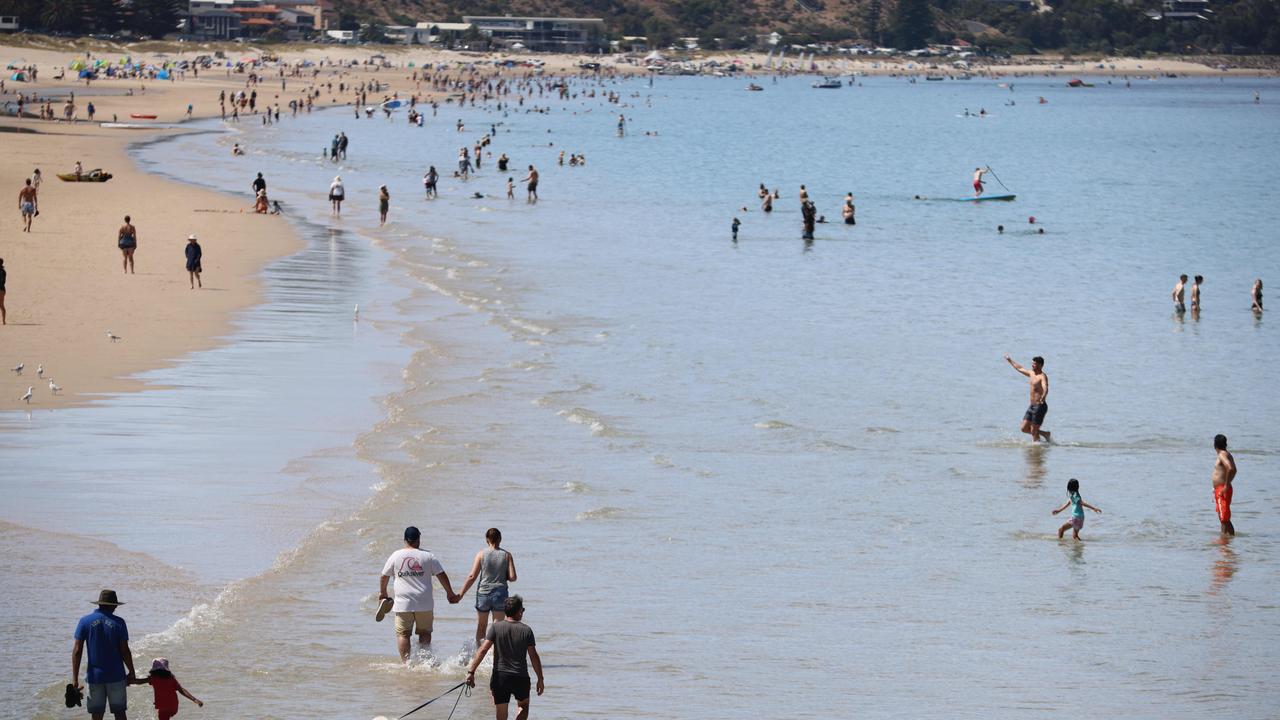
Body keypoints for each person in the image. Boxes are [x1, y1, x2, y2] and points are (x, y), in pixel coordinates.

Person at [378, 526, 459, 662]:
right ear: (419, 539)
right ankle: (424, 663)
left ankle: (407, 665)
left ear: (405, 540)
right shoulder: (428, 556)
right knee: (425, 633)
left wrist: (383, 593)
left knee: (403, 634)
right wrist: (450, 593)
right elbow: (441, 575)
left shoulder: (396, 555)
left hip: (403, 604)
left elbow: (383, 576)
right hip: (425, 603)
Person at [466, 595, 544, 720]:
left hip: (500, 677)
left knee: (501, 714)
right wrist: (540, 678)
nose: (522, 612)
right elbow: (534, 656)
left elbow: (483, 650)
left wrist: (471, 672)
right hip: (520, 677)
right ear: (519, 611)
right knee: (523, 706)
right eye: (522, 610)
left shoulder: (496, 627)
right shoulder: (526, 630)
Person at [73, 590, 138, 720]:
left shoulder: (84, 621)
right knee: (119, 713)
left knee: (96, 715)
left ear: (100, 604)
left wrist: (75, 679)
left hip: (94, 677)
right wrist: (131, 671)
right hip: (116, 676)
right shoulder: (119, 622)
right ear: (113, 605)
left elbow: (77, 650)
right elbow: (125, 650)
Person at [456, 528, 518, 648]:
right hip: (500, 594)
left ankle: (480, 655)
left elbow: (472, 576)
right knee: (498, 628)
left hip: (483, 594)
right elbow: (513, 577)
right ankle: (495, 657)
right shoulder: (507, 555)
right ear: (500, 539)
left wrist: (461, 594)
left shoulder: (481, 554)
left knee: (481, 627)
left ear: (487, 539)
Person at [130, 658, 202, 720]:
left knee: (162, 715)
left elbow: (140, 681)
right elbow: (181, 690)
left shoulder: (153, 679)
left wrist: (128, 682)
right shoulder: (171, 679)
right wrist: (194, 699)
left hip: (163, 708)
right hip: (173, 707)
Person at [1004, 354, 1051, 443]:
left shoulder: (1042, 376)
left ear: (1040, 365)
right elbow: (1020, 368)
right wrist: (1010, 360)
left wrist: (1044, 396)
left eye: (1034, 364)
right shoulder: (1031, 373)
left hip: (1040, 406)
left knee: (1033, 431)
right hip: (1032, 406)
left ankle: (1035, 451)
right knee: (1024, 428)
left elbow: (1045, 388)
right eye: (1032, 363)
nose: (1032, 365)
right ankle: (1045, 434)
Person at [1212, 434, 1236, 536]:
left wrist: (1226, 486)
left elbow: (1231, 469)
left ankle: (1226, 542)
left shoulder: (1222, 455)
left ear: (1215, 445)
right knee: (1223, 518)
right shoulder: (1226, 454)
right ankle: (1226, 541)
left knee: (1224, 519)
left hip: (1223, 490)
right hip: (1220, 489)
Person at [0, 257, 6, 325]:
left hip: (1, 289)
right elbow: (3, 281)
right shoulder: (3, 271)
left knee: (1, 305)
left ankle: (4, 321)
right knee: (1, 305)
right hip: (2, 289)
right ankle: (3, 321)